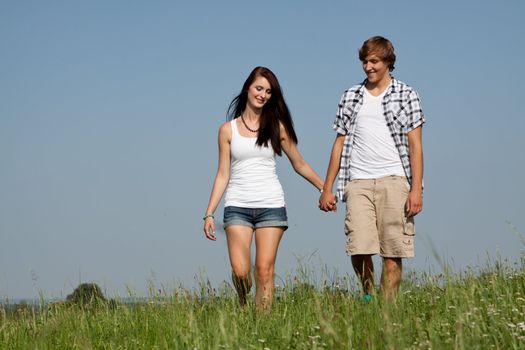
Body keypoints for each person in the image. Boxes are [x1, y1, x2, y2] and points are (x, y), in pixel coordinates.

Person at [203, 66, 324, 311]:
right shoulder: (227, 130)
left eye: (268, 92)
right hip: (237, 206)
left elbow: (298, 163)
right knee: (240, 272)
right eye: (259, 88)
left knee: (264, 271)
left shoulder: (277, 127)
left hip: (271, 206)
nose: (263, 95)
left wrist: (325, 187)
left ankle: (262, 329)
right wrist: (209, 212)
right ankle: (242, 300)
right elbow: (222, 173)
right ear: (248, 87)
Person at [319, 36, 426, 300]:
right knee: (359, 248)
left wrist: (416, 190)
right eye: (365, 61)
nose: (368, 66)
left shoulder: (406, 94)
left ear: (388, 61)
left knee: (392, 254)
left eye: (374, 61)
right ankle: (368, 297)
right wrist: (327, 188)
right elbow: (339, 144)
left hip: (395, 179)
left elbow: (416, 146)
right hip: (358, 181)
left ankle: (386, 315)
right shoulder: (351, 96)